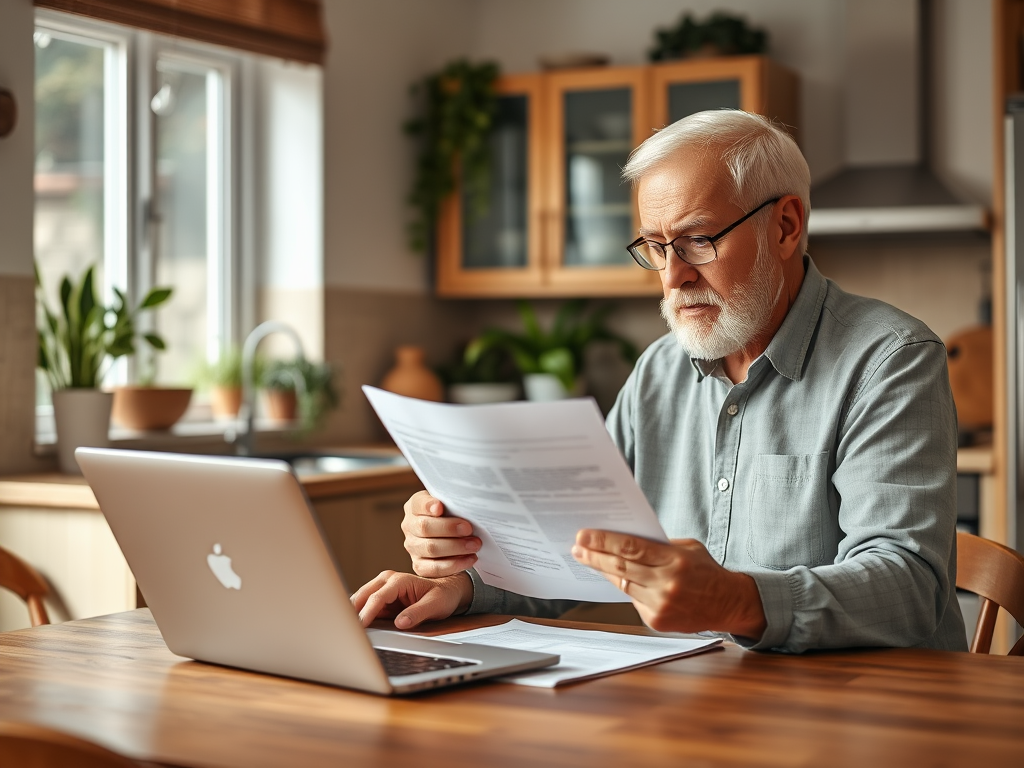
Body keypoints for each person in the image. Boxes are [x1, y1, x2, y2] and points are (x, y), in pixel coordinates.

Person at [353, 109, 967, 653]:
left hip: (867, 713)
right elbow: (582, 553)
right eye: (654, 245)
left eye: (699, 240)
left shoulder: (891, 359)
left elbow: (907, 584)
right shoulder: (659, 371)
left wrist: (734, 600)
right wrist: (461, 584)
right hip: (700, 708)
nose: (673, 277)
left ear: (784, 226)